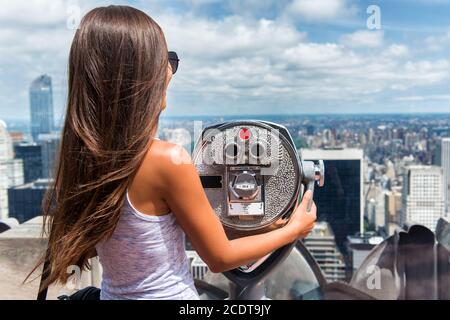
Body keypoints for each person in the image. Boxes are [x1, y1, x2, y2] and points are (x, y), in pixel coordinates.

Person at [31, 5, 317, 300]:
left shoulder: (83, 158)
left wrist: (262, 227)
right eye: (166, 59)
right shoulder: (168, 160)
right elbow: (220, 258)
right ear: (144, 75)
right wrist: (294, 229)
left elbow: (140, 237)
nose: (170, 69)